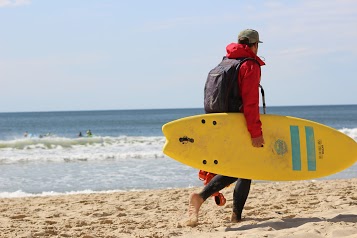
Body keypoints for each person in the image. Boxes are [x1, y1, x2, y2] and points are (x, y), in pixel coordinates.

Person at [186, 29, 265, 227]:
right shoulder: (249, 65)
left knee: (243, 167)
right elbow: (250, 103)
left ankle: (236, 216)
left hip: (218, 123)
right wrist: (255, 133)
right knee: (243, 167)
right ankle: (201, 196)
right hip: (237, 124)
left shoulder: (224, 63)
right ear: (254, 45)